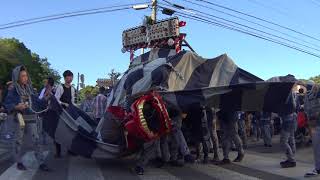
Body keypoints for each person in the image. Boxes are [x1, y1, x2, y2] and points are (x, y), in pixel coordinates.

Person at [3, 65, 50, 171]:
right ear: (17, 77)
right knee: (18, 141)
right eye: (22, 76)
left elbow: (37, 101)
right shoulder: (13, 89)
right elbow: (7, 103)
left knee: (36, 139)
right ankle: (19, 162)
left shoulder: (30, 89)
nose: (25, 78)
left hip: (31, 117)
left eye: (26, 76)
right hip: (19, 118)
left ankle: (41, 162)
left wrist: (46, 99)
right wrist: (16, 106)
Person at [54, 70, 76, 157]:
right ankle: (58, 152)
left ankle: (69, 149)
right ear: (65, 77)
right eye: (69, 77)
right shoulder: (60, 87)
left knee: (69, 131)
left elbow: (72, 101)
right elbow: (56, 99)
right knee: (58, 131)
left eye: (72, 77)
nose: (70, 78)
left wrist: (75, 108)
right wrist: (63, 103)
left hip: (68, 113)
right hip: (60, 112)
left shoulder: (72, 88)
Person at [304, 83, 320, 177]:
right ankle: (318, 168)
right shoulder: (308, 96)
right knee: (316, 147)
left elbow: (307, 110)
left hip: (314, 124)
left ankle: (318, 168)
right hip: (314, 124)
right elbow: (306, 110)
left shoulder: (308, 96)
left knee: (317, 147)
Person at [279, 91, 297, 168]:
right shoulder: (292, 93)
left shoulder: (285, 94)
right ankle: (291, 158)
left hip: (287, 119)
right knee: (291, 139)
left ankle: (291, 160)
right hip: (293, 117)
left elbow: (284, 108)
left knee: (283, 141)